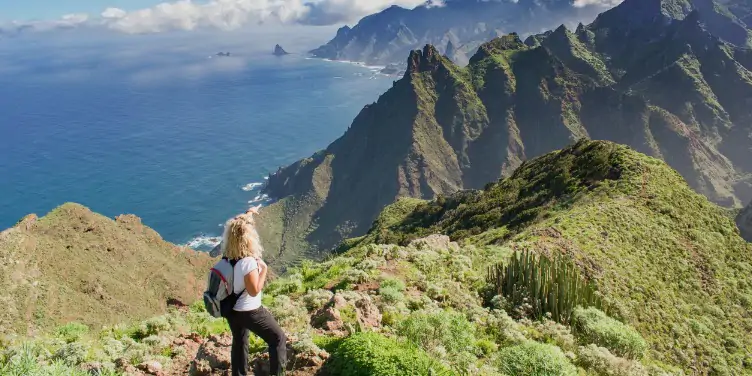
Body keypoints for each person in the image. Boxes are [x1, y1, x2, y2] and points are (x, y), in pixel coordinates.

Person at [221, 206, 287, 376]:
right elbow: (253, 290)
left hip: (231, 310)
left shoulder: (228, 259)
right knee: (277, 338)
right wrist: (263, 269)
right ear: (248, 239)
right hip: (249, 311)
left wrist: (249, 212)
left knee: (240, 342)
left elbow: (239, 226)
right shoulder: (249, 262)